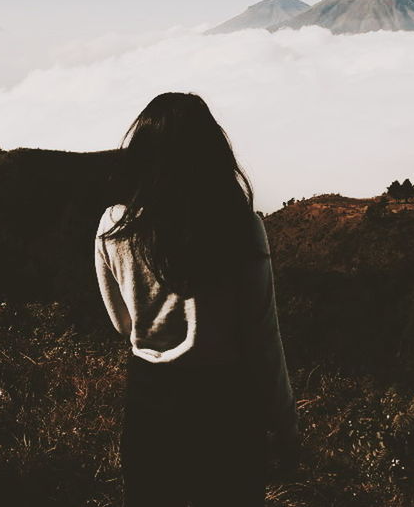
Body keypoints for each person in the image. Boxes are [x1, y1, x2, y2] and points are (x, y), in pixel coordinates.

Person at [95, 91, 299, 507]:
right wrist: (285, 423)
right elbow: (263, 340)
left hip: (150, 401)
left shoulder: (114, 225)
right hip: (226, 404)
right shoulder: (241, 228)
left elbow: (122, 324)